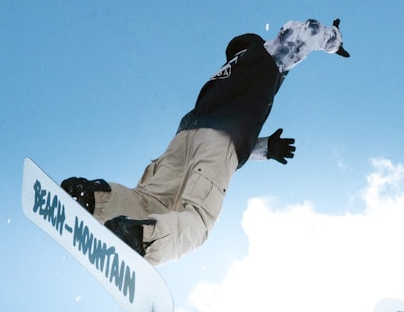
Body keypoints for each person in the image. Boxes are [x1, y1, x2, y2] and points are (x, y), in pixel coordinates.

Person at [62, 18, 349, 263]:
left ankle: (92, 198)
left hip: (183, 140)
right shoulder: (263, 56)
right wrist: (333, 40)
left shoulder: (224, 75)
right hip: (217, 144)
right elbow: (302, 33)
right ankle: (143, 238)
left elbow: (224, 122)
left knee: (148, 201)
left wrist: (262, 149)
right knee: (198, 221)